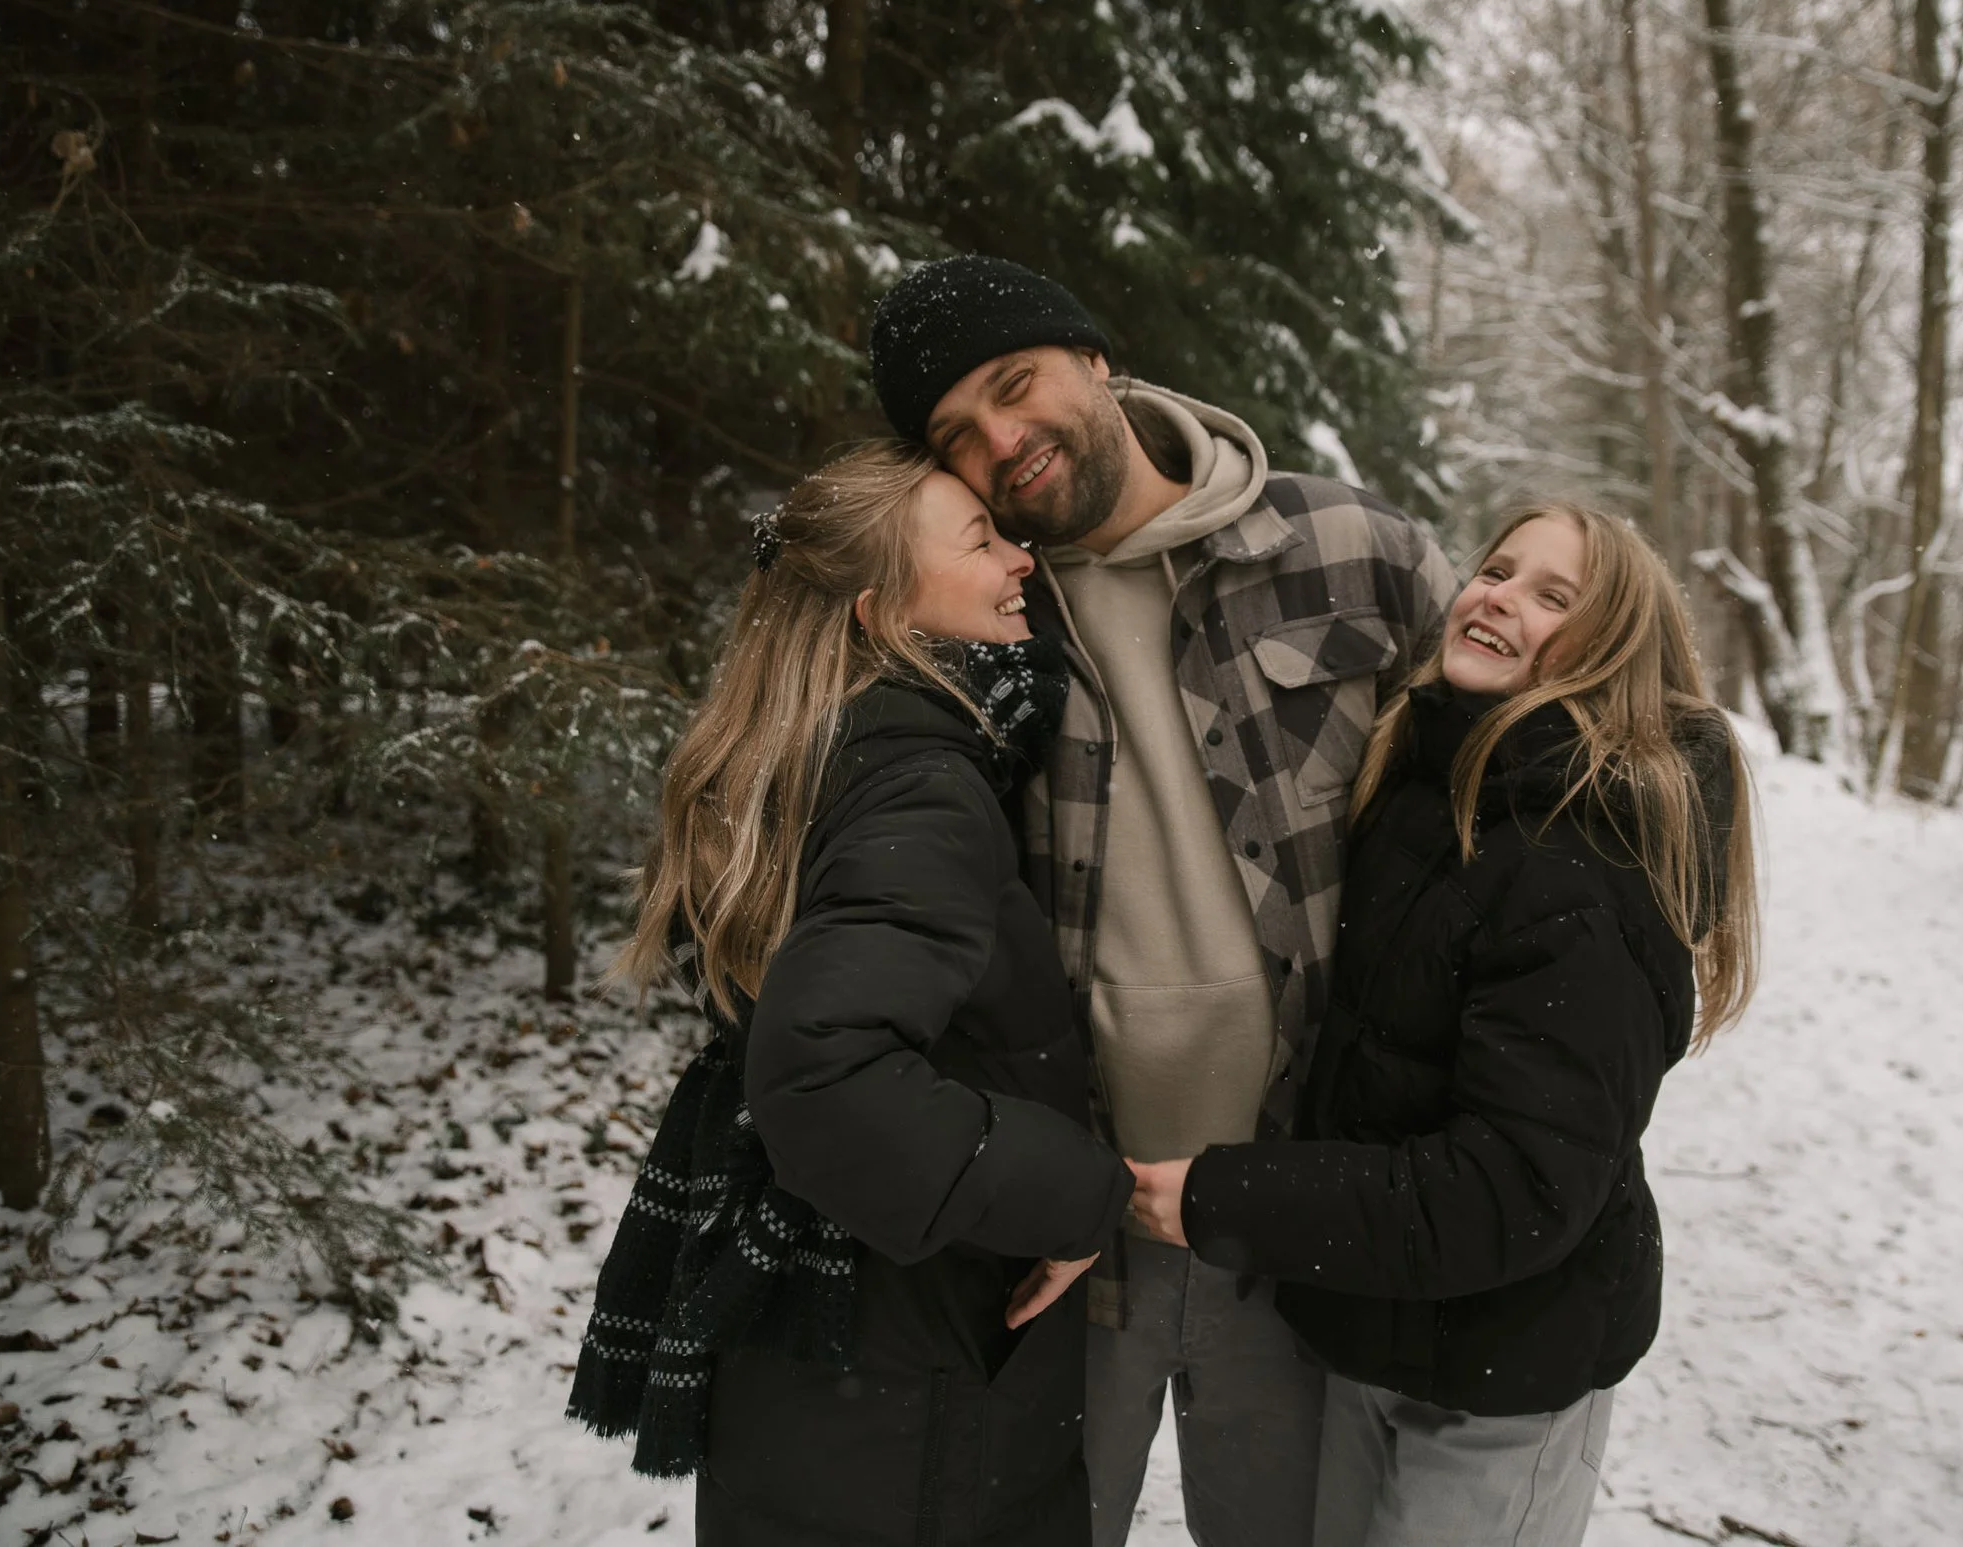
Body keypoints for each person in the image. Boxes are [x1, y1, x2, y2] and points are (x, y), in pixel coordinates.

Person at [866, 256, 1457, 1547]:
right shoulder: (980, 613)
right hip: (1065, 1231)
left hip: (1293, 1213)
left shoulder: (1352, 553)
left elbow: (1521, 769)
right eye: (958, 436)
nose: (1001, 444)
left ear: (1094, 359)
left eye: (1015, 387)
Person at [1127, 502, 1761, 1547]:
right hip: (1376, 1329)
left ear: (1612, 653)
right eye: (1497, 569)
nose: (1500, 595)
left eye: (1553, 596)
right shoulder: (1428, 778)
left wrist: (1222, 1196)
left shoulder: (1579, 857)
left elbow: (1511, 1186)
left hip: (1503, 1381)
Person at [568, 445, 1134, 1547]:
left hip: (822, 1336)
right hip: (907, 1354)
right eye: (981, 540)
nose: (1024, 559)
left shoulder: (812, 749)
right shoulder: (919, 780)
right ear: (880, 616)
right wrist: (1073, 1190)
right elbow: (824, 1072)